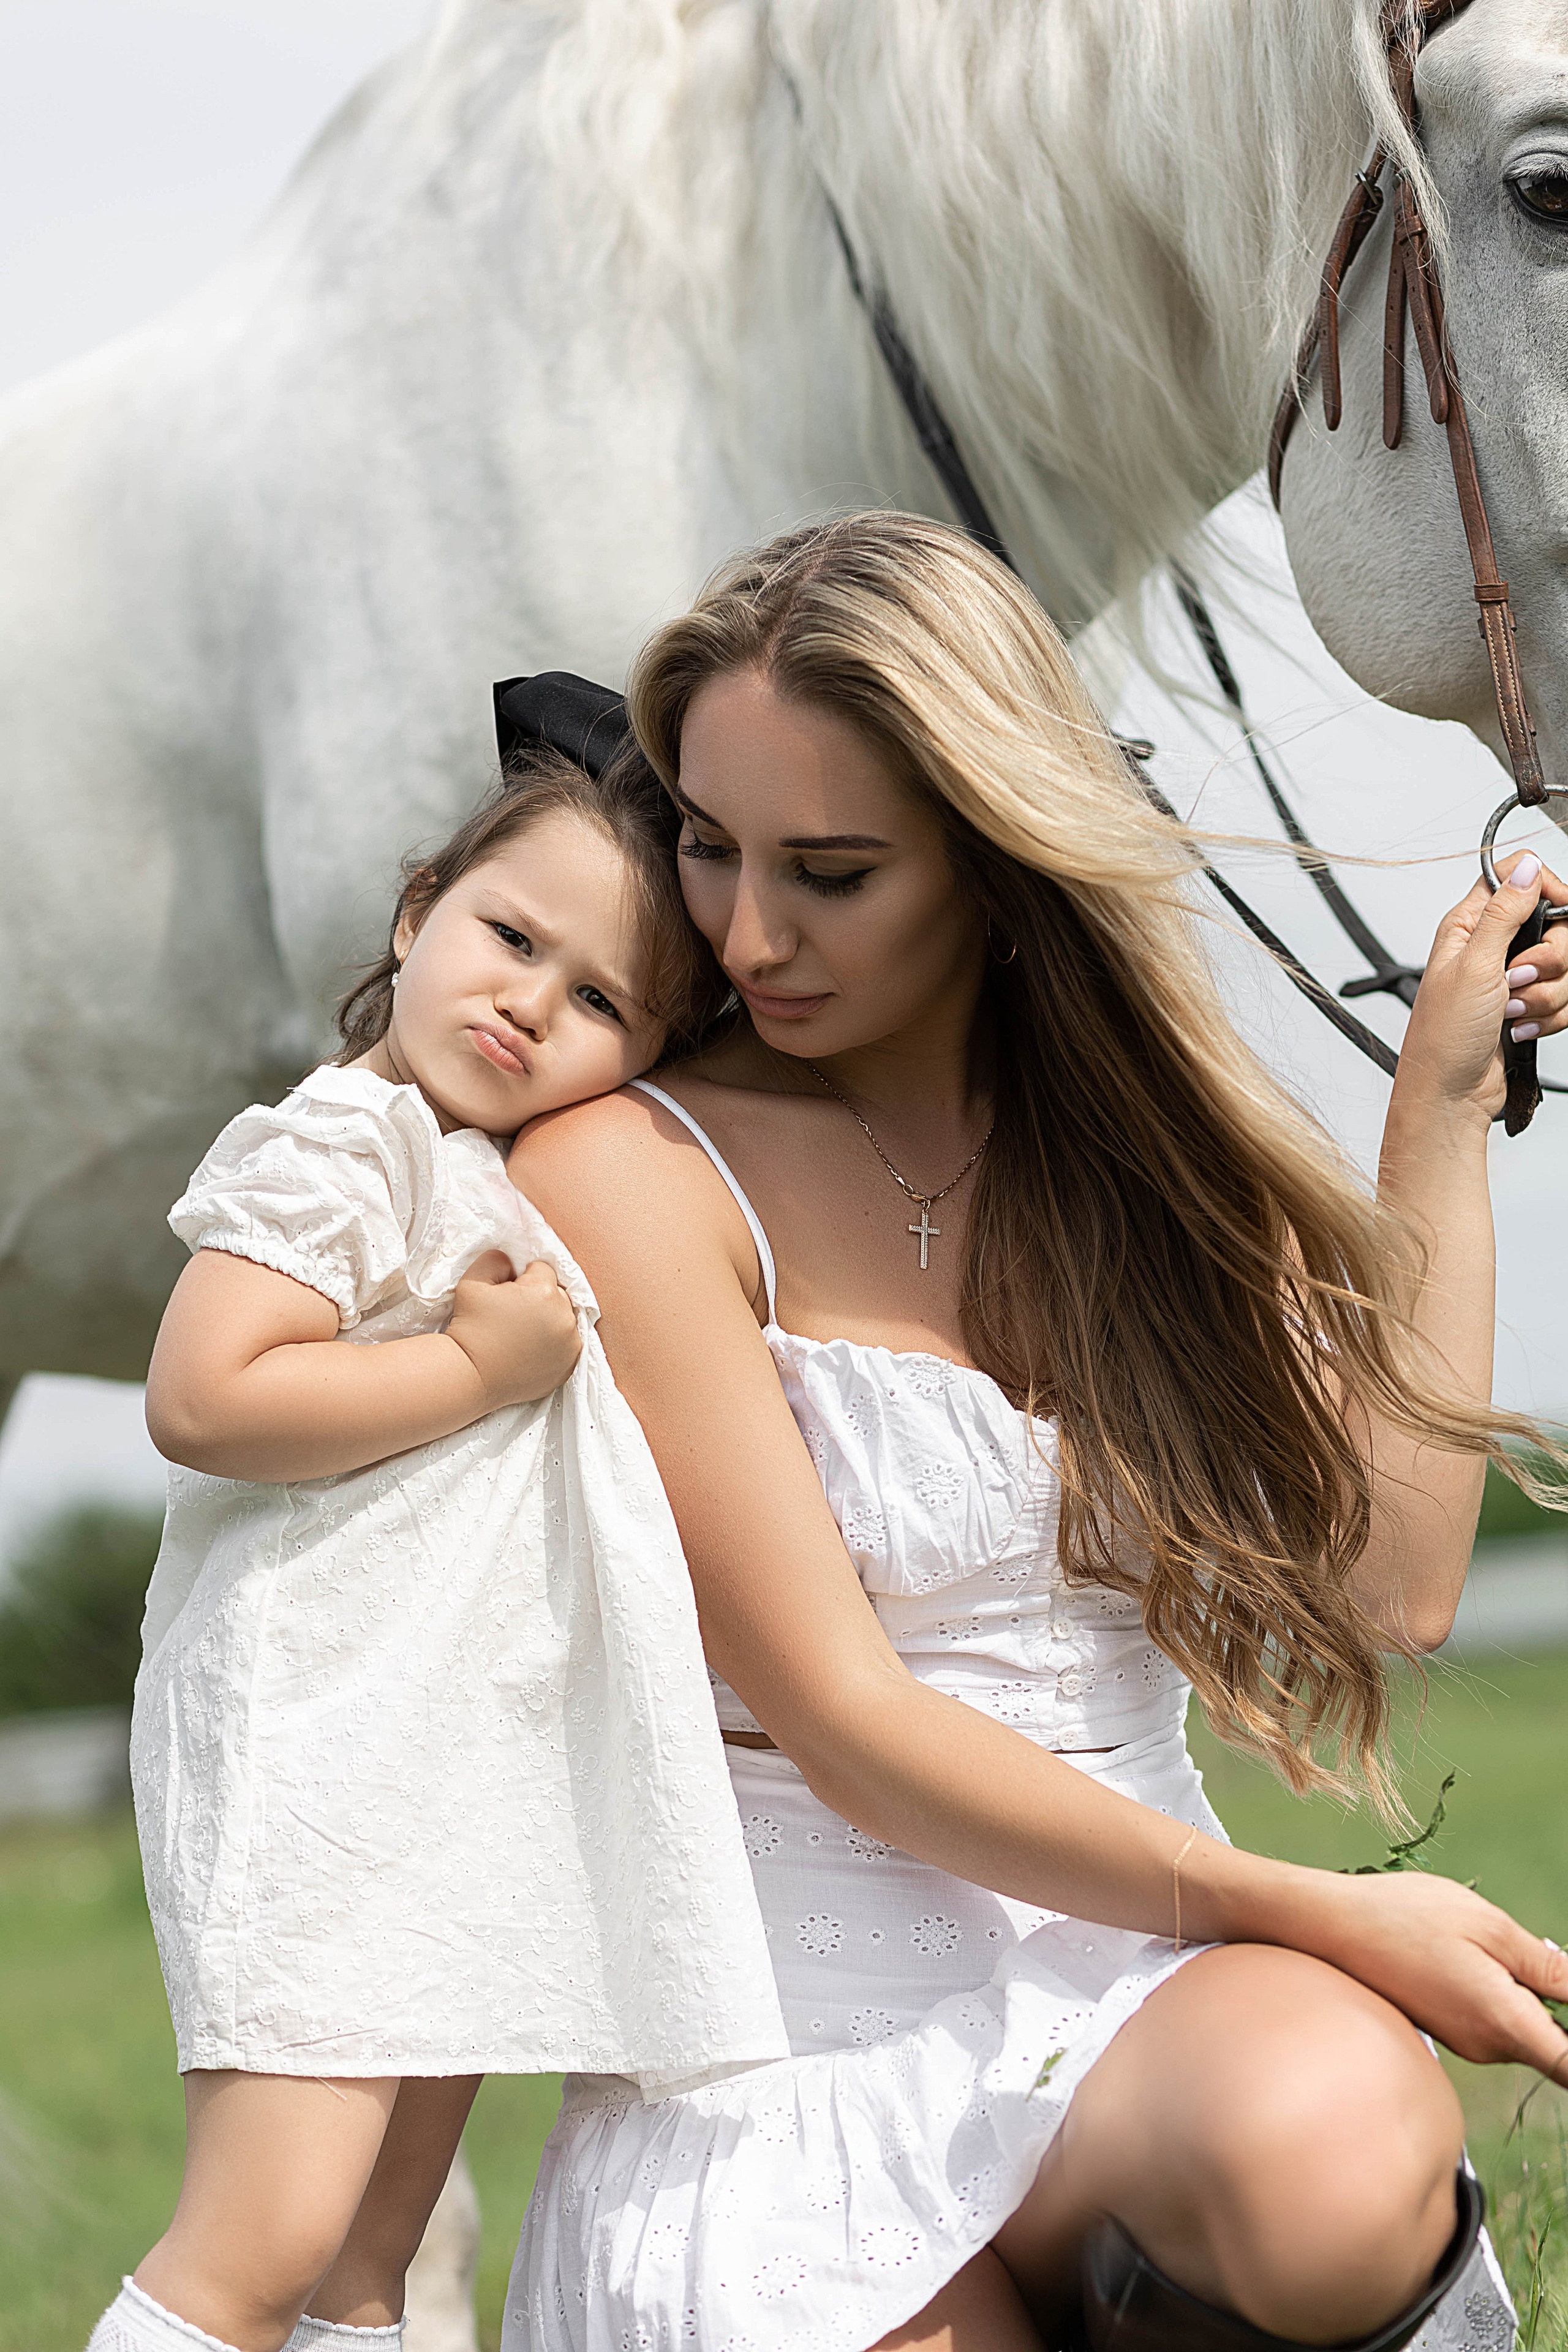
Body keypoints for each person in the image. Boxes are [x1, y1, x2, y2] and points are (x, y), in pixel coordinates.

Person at [503, 512, 1568, 2352]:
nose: (747, 933)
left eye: (830, 872)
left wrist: (1442, 1116)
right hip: (790, 2059)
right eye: (706, 844)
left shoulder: (1127, 1176)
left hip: (1128, 2010)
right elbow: (846, 1722)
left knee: (1331, 2139)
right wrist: (1307, 1911)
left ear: (996, 865)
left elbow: (1394, 1583)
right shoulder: (632, 1173)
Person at [89, 717, 787, 2352]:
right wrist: (472, 1366)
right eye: (511, 937)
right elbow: (203, 1393)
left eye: (602, 999)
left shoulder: (504, 1173)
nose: (533, 1001)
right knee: (264, 2237)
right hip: (313, 1750)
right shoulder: (349, 1136)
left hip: (443, 1770)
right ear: (417, 918)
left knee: (371, 2263)